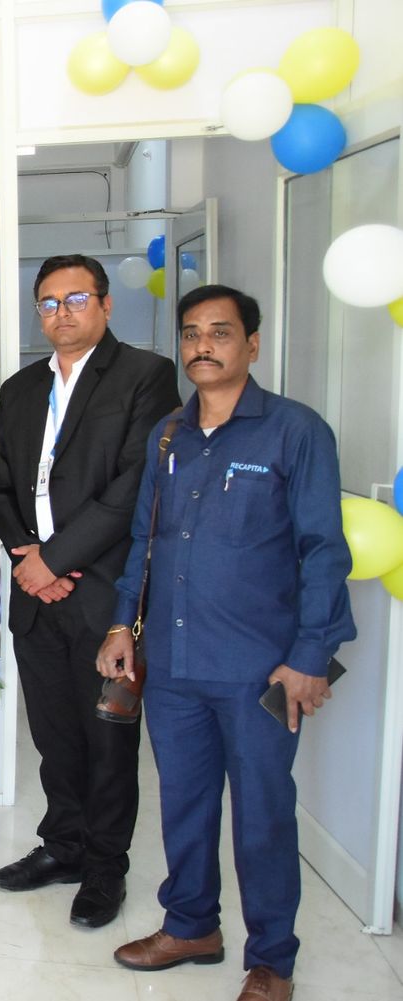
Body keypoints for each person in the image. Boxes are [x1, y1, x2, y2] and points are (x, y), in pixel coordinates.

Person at [98, 285, 354, 1001]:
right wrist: (122, 625)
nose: (202, 345)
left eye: (220, 332)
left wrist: (310, 655)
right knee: (183, 802)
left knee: (263, 814)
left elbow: (324, 551)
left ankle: (272, 959)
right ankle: (190, 926)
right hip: (173, 664)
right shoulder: (167, 435)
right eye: (191, 333)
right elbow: (146, 540)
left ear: (252, 344)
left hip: (260, 670)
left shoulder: (295, 431)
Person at [0, 254, 179, 926]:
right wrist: (29, 559)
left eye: (75, 299)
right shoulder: (20, 388)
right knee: (55, 734)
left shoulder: (145, 375)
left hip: (102, 593)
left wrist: (57, 559)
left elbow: (135, 485)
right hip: (36, 592)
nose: (60, 313)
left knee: (107, 740)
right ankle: (63, 846)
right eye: (48, 302)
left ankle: (104, 867)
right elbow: (0, 486)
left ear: (105, 304)